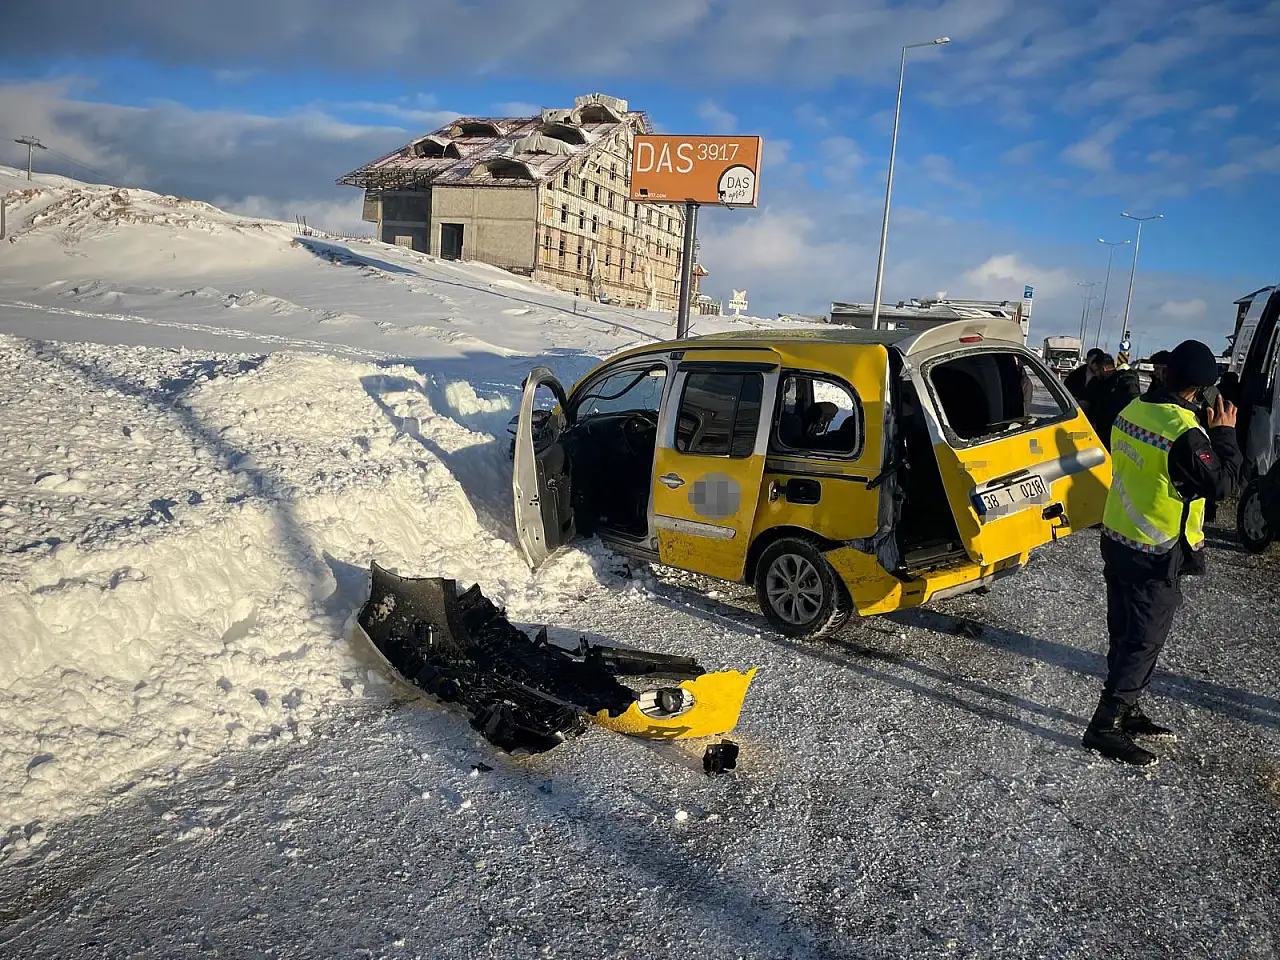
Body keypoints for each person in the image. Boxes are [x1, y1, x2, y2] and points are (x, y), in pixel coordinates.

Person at [1083, 340, 1243, 766]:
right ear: (1201, 390)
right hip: (1155, 550)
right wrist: (1225, 434)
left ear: (1166, 372)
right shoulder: (1184, 431)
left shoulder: (1132, 411)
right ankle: (1105, 726)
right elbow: (1223, 485)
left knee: (1124, 630)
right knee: (1143, 640)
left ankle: (1128, 709)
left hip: (1119, 537)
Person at [1083, 353, 1141, 449]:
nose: (1095, 374)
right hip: (1102, 432)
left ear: (1103, 368)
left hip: (1118, 434)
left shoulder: (1124, 381)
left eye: (1096, 370)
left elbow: (1132, 402)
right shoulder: (1099, 383)